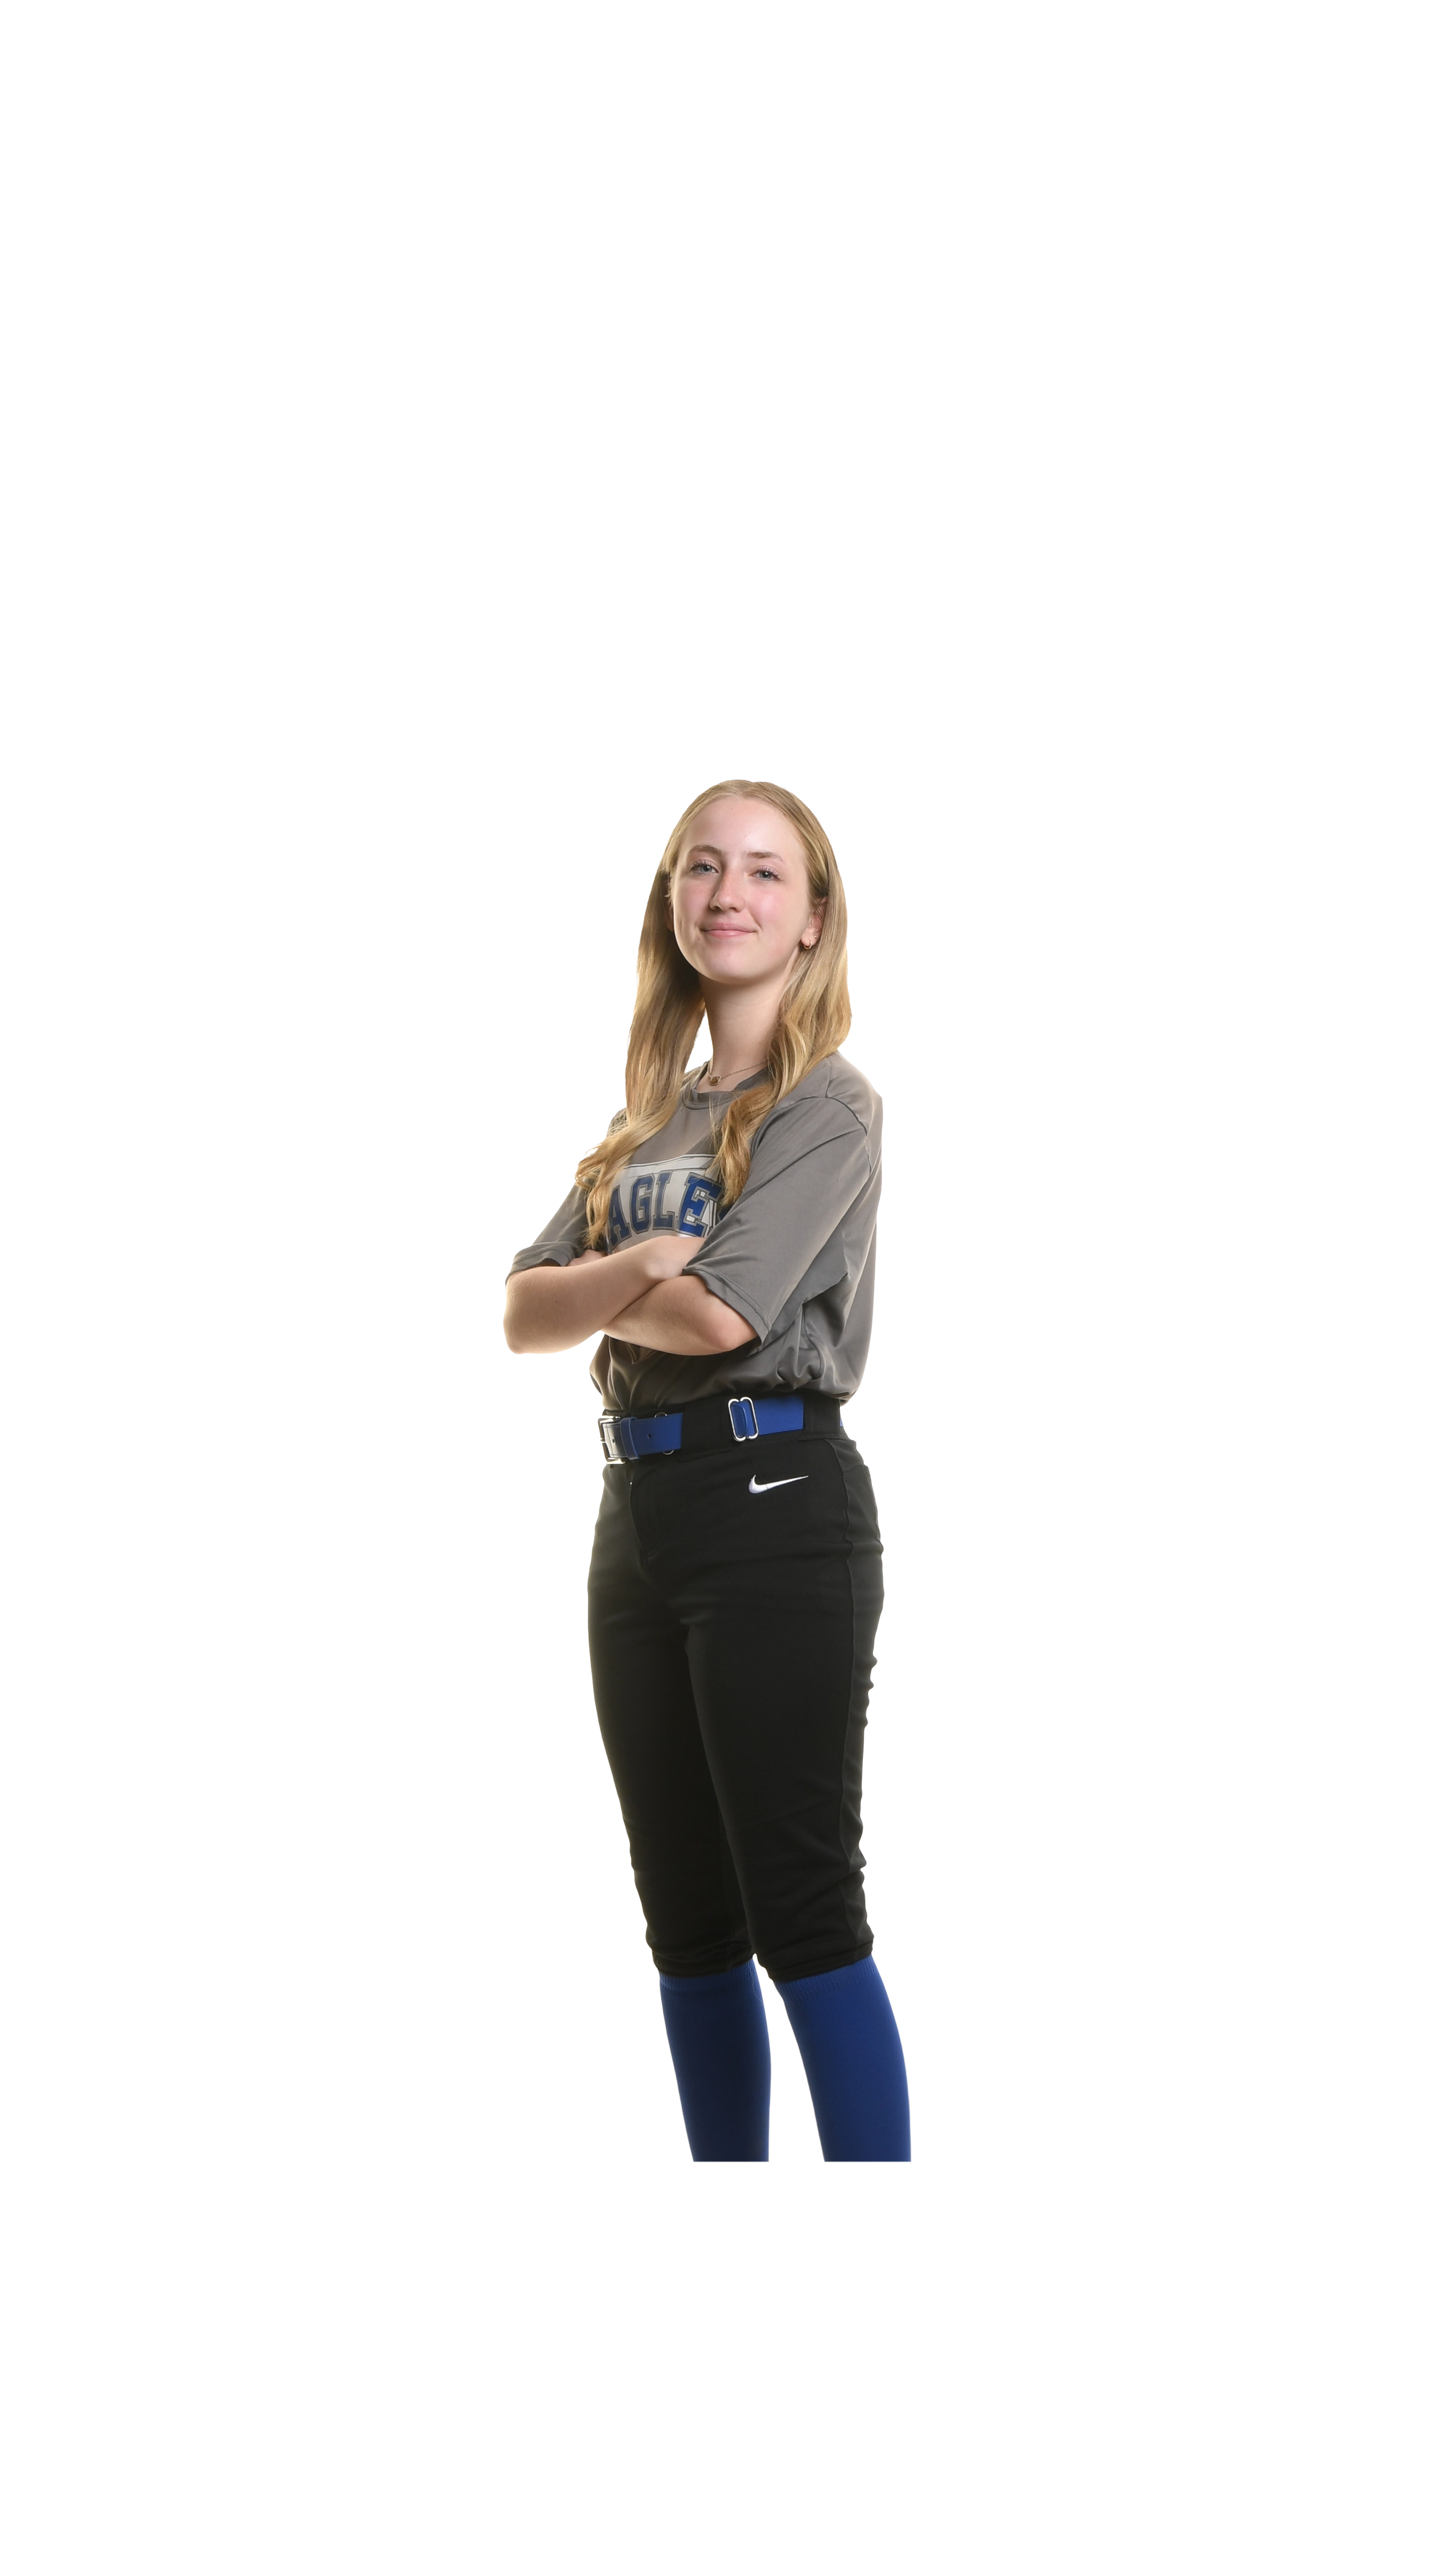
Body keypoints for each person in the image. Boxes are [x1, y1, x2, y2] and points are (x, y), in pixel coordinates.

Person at [502, 780, 910, 2163]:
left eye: (766, 873)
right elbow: (521, 1314)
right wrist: (639, 1267)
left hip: (775, 1511)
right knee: (684, 1923)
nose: (730, 893)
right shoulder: (642, 1127)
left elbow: (724, 1318)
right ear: (670, 901)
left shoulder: (829, 1107)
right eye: (702, 867)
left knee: (805, 1916)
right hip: (639, 1517)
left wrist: (603, 1288)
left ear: (815, 920)